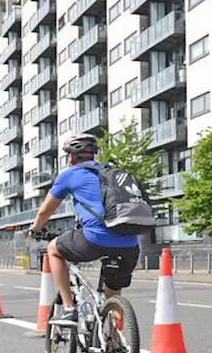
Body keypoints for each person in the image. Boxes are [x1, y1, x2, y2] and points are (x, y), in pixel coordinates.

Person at [27, 133, 139, 327]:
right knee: (113, 294)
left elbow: (45, 211)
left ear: (71, 156)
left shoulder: (70, 175)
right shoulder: (113, 173)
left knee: (54, 250)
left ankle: (69, 308)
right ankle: (116, 340)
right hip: (130, 243)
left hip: (96, 239)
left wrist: (35, 229)